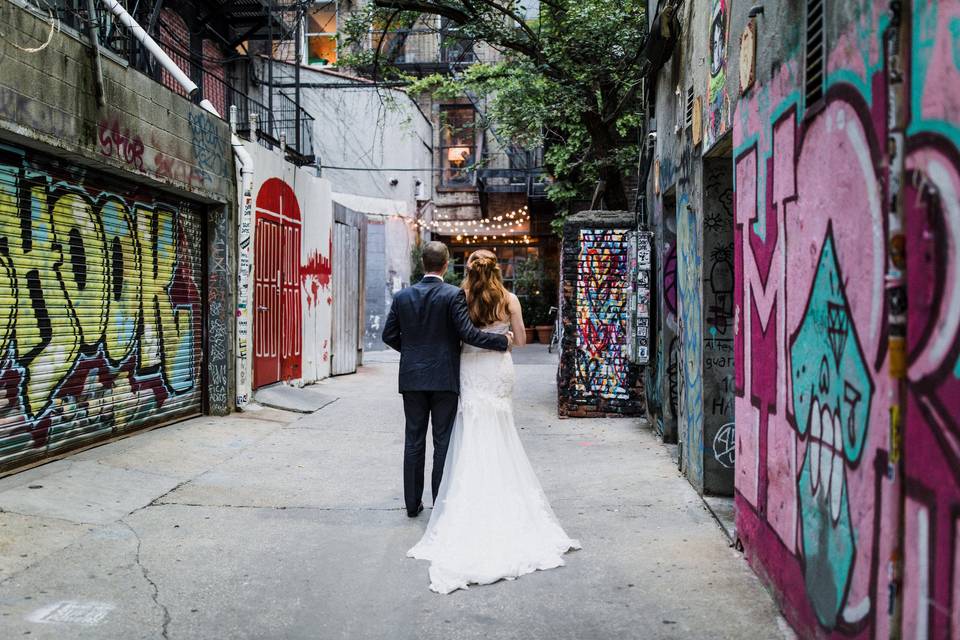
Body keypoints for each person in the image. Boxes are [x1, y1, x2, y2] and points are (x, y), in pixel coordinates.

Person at [407, 249, 581, 594]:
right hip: (498, 369)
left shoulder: (461, 296)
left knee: (469, 429)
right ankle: (502, 486)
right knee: (500, 429)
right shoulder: (510, 299)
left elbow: (456, 337)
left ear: (469, 269)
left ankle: (463, 491)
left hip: (469, 369)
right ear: (497, 269)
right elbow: (521, 339)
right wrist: (501, 342)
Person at [382, 241, 513, 518]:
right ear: (445, 264)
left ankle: (412, 504)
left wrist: (413, 353)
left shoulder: (403, 297)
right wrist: (501, 342)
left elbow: (389, 336)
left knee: (414, 440)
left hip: (412, 378)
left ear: (422, 263)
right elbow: (468, 334)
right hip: (444, 377)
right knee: (443, 441)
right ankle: (439, 502)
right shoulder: (453, 295)